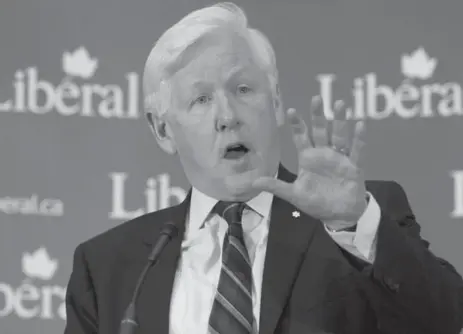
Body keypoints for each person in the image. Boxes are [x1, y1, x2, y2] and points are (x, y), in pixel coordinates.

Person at [63, 3, 463, 334]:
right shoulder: (108, 269)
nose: (227, 116)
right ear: (162, 129)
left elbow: (444, 321)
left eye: (242, 89)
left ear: (274, 100)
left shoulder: (354, 221)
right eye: (200, 100)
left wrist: (355, 222)